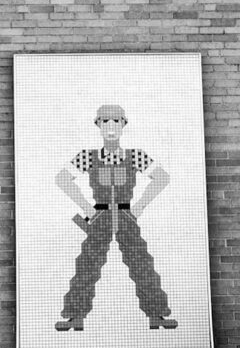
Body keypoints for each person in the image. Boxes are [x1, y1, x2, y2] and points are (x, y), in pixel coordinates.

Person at [54, 104, 177, 331]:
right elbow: (62, 179)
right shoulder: (88, 156)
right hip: (99, 216)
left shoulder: (135, 156)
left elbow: (162, 177)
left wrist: (139, 207)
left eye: (116, 121)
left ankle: (157, 315)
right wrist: (87, 208)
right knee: (87, 264)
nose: (111, 127)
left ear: (123, 124)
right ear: (98, 125)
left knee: (141, 262)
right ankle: (74, 316)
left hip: (125, 215)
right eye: (105, 121)